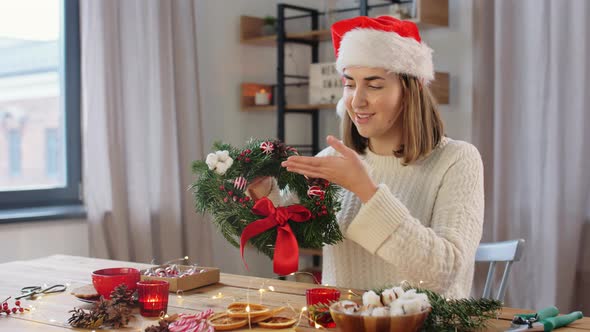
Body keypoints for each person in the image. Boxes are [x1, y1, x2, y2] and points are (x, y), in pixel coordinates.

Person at [248, 16, 483, 299]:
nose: (357, 101)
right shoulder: (332, 159)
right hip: (341, 322)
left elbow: (443, 273)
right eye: (350, 84)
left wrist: (366, 190)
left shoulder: (457, 161)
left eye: (374, 85)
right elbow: (284, 233)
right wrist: (264, 195)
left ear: (412, 90)